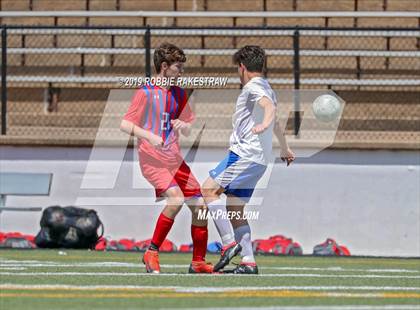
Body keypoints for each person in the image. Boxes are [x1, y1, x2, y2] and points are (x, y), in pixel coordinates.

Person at [120, 43, 213, 274]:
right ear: (164, 66)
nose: (181, 72)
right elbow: (125, 124)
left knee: (201, 206)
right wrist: (148, 136)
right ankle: (151, 252)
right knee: (176, 199)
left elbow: (189, 126)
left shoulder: (179, 93)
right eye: (178, 67)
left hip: (175, 160)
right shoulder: (145, 92)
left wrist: (185, 124)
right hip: (152, 160)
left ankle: (198, 262)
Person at [201, 45, 295, 274]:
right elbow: (274, 116)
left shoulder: (253, 87)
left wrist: (263, 124)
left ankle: (228, 244)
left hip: (244, 155)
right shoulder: (267, 86)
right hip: (260, 160)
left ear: (242, 67)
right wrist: (284, 147)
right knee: (235, 209)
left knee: (208, 190)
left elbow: (269, 108)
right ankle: (248, 262)